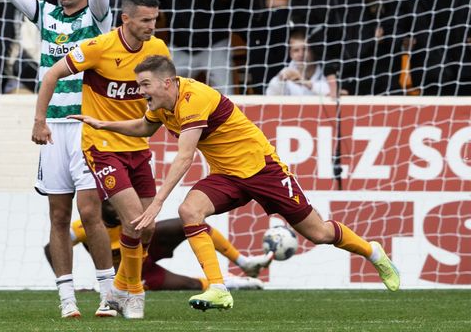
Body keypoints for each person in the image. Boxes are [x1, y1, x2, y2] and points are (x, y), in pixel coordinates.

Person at [71, 55, 401, 312]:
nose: (140, 92)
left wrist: (156, 204)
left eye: (144, 85)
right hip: (228, 176)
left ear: (168, 82)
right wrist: (103, 124)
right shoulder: (162, 104)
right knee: (190, 210)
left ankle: (374, 252)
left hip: (263, 170)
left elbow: (184, 157)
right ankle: (218, 288)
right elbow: (144, 128)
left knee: (320, 233)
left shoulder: (193, 99)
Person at [33, 0, 171, 319]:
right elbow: (52, 73)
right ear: (125, 19)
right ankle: (123, 293)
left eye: (155, 19)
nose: (152, 26)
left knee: (147, 227)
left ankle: (120, 288)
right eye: (145, 20)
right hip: (101, 146)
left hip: (138, 145)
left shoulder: (158, 49)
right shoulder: (99, 47)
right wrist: (39, 119)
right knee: (132, 220)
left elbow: (167, 93)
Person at [1, 0, 116, 318]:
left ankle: (108, 293)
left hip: (86, 124)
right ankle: (67, 298)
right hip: (52, 128)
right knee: (57, 214)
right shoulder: (47, 15)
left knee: (90, 212)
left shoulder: (97, 17)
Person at [44, 202, 272, 291]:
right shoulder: (84, 226)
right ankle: (233, 282)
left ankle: (244, 262)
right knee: (190, 285)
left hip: (148, 247)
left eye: (117, 202)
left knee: (191, 223)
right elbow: (50, 247)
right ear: (100, 206)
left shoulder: (129, 213)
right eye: (110, 205)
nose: (116, 208)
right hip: (133, 273)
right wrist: (68, 284)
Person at [266, 28, 331, 97]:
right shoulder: (286, 73)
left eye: (305, 49)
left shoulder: (326, 71)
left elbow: (332, 93)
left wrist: (304, 82)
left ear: (313, 51)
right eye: (296, 50)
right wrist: (279, 80)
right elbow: (269, 95)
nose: (301, 54)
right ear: (290, 54)